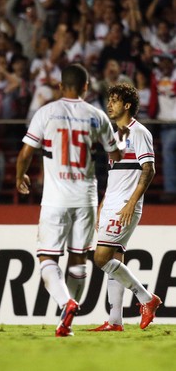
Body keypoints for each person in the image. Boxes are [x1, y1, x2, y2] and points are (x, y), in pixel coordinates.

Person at [16, 64, 124, 337]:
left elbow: (26, 152)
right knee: (78, 260)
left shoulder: (46, 112)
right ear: (86, 87)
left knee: (46, 259)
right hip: (86, 198)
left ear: (61, 86)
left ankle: (67, 304)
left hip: (55, 199)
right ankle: (68, 319)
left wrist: (21, 176)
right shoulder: (97, 116)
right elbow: (116, 156)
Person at [89, 83, 162, 331]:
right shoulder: (115, 136)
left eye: (115, 100)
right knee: (115, 259)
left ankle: (147, 299)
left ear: (127, 105)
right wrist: (102, 204)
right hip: (112, 203)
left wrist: (131, 202)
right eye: (109, 100)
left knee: (101, 258)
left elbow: (149, 169)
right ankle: (115, 321)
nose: (109, 104)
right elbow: (114, 175)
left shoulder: (139, 132)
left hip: (125, 205)